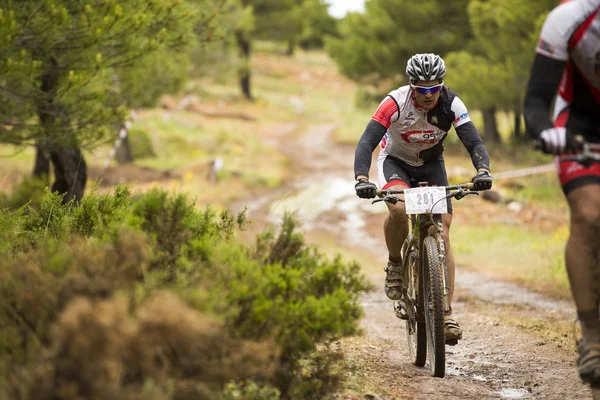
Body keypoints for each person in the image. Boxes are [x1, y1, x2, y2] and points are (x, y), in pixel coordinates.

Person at [353, 53, 493, 343]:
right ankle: (395, 264)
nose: (429, 95)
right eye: (422, 89)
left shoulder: (451, 103)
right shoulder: (394, 102)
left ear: (441, 85)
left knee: (443, 228)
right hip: (395, 161)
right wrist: (362, 178)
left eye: (434, 88)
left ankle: (446, 314)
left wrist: (482, 170)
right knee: (399, 211)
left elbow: (473, 141)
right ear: (412, 85)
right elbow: (367, 141)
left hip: (431, 164)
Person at [523, 0, 600, 386]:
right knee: (589, 213)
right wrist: (545, 132)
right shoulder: (569, 18)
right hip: (583, 127)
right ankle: (593, 335)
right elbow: (536, 100)